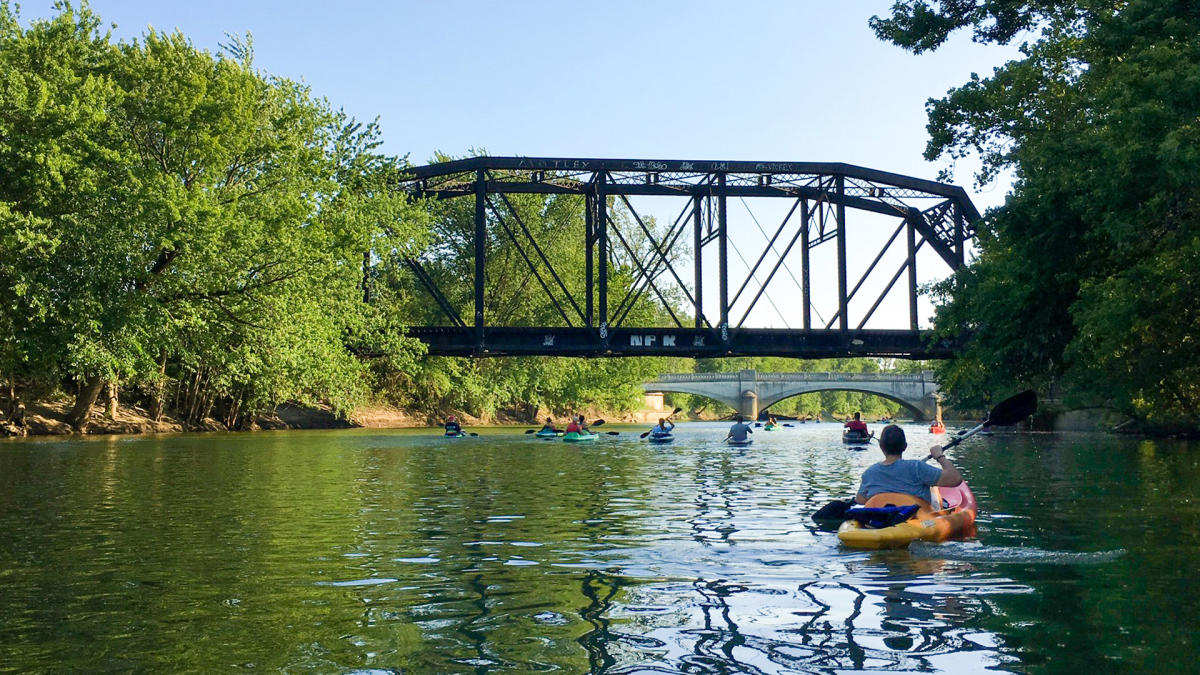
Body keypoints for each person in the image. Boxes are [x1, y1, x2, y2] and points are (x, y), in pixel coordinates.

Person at [854, 425, 963, 505]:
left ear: (881, 446)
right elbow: (955, 479)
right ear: (905, 446)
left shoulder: (869, 473)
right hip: (915, 520)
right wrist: (939, 456)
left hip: (879, 521)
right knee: (934, 492)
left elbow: (860, 500)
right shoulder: (916, 467)